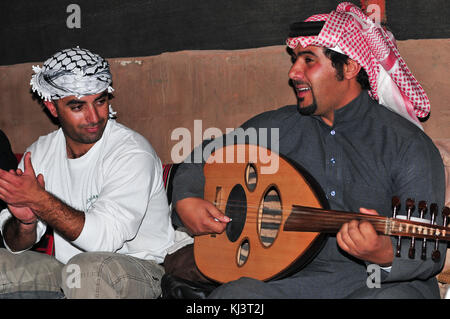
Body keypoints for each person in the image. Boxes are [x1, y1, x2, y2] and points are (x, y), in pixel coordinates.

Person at [170, 2, 446, 298]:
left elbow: (428, 252)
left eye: (308, 61)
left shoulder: (406, 145)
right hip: (293, 280)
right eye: (295, 60)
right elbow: (204, 155)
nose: (293, 72)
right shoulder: (278, 127)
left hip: (377, 282)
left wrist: (384, 253)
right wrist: (187, 197)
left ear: (350, 67)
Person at [0, 47, 190, 299]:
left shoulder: (131, 152)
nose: (94, 116)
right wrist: (26, 223)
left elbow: (103, 240)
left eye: (100, 101)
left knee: (89, 271)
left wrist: (40, 200)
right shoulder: (41, 152)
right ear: (52, 108)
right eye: (78, 106)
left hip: (143, 269)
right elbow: (14, 244)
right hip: (70, 271)